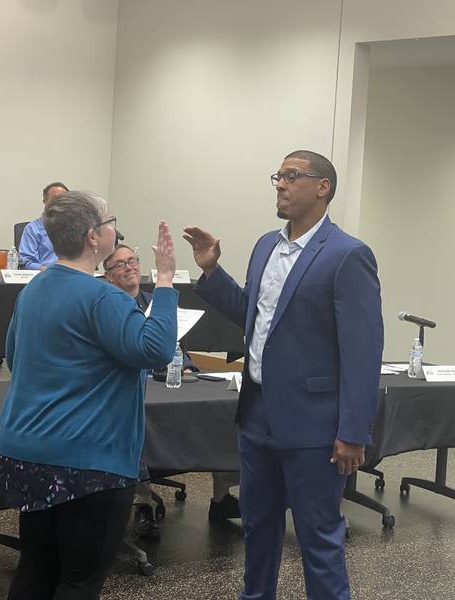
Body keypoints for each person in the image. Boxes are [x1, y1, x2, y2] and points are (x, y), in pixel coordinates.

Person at [183, 150, 384, 600]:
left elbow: (363, 352)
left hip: (314, 424)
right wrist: (211, 270)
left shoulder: (348, 255)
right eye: (278, 176)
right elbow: (253, 317)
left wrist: (354, 431)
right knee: (258, 530)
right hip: (256, 418)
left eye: (292, 176)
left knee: (318, 539)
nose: (280, 184)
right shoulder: (264, 246)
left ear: (322, 187)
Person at [0, 190, 178, 599]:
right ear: (94, 237)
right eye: (110, 222)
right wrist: (164, 280)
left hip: (28, 452)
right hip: (87, 461)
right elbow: (156, 349)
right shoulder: (103, 297)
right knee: (80, 579)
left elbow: (12, 356)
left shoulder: (34, 290)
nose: (115, 228)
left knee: (37, 568)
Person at [102, 244, 241, 540]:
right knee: (139, 424)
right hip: (134, 386)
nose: (129, 267)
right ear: (108, 276)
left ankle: (221, 496)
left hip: (172, 378)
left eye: (133, 261)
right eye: (120, 264)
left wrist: (187, 366)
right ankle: (141, 502)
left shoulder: (157, 300)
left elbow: (177, 345)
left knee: (218, 412)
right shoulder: (108, 307)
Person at [19, 181, 69, 270]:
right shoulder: (33, 228)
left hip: (73, 276)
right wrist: (46, 270)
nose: (60, 202)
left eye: (64, 199)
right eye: (55, 198)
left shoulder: (77, 227)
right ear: (45, 202)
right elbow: (27, 262)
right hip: (45, 275)